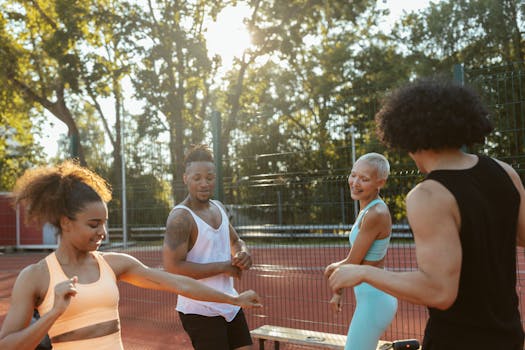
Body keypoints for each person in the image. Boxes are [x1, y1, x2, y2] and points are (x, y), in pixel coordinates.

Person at [328, 78, 525, 350]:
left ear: (406, 133)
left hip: (457, 340)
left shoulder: (428, 195)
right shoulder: (506, 172)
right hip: (510, 336)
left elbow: (440, 291)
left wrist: (363, 272)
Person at [0, 160, 262, 350]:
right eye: (93, 224)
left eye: (105, 223)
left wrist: (233, 299)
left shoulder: (114, 264)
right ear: (65, 222)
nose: (103, 232)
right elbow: (9, 345)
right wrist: (53, 313)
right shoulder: (35, 277)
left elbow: (178, 283)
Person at [162, 144, 254, 350]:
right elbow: (172, 268)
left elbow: (236, 241)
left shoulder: (219, 207)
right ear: (186, 179)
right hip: (198, 308)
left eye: (209, 178)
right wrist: (222, 267)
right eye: (197, 178)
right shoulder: (180, 217)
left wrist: (242, 253)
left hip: (230, 302)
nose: (204, 183)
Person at [324, 153, 397, 350]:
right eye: (353, 175)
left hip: (375, 300)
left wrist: (331, 269)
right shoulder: (367, 209)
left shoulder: (376, 213)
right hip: (369, 297)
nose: (355, 182)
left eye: (364, 179)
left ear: (380, 182)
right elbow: (354, 264)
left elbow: (353, 263)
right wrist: (338, 292)